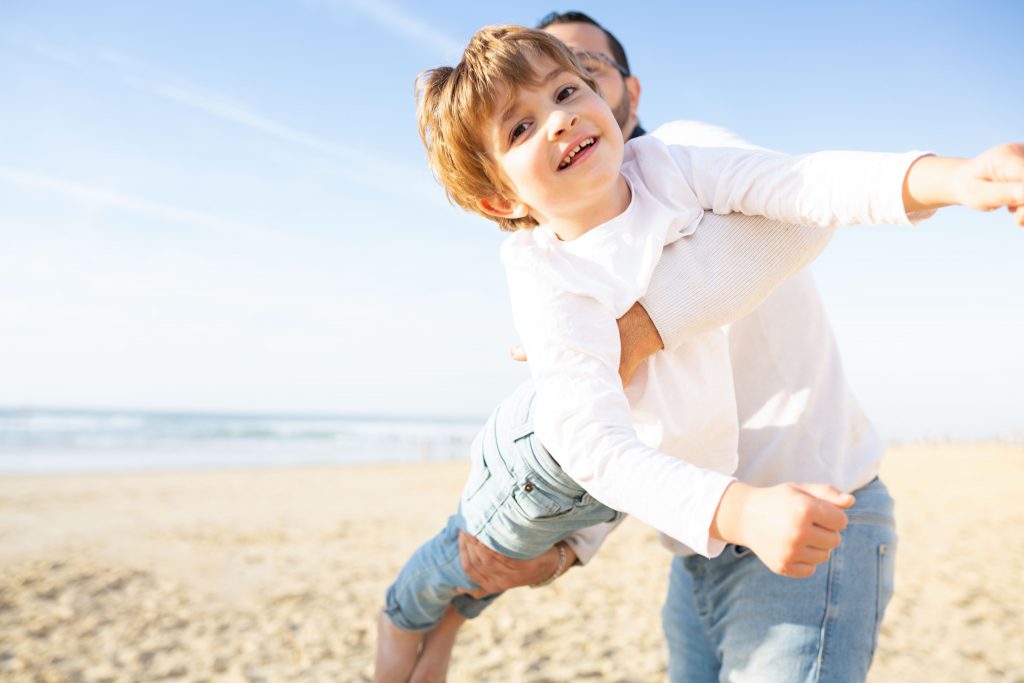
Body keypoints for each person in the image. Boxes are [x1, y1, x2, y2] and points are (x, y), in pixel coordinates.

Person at [375, 21, 1024, 683]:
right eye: (520, 125)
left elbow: (804, 189)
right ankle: (408, 623)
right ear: (501, 197)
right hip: (700, 544)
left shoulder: (676, 158)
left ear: (624, 90)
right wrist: (572, 551)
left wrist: (954, 177)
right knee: (488, 516)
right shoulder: (545, 277)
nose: (560, 118)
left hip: (817, 508)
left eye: (572, 82)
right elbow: (602, 441)